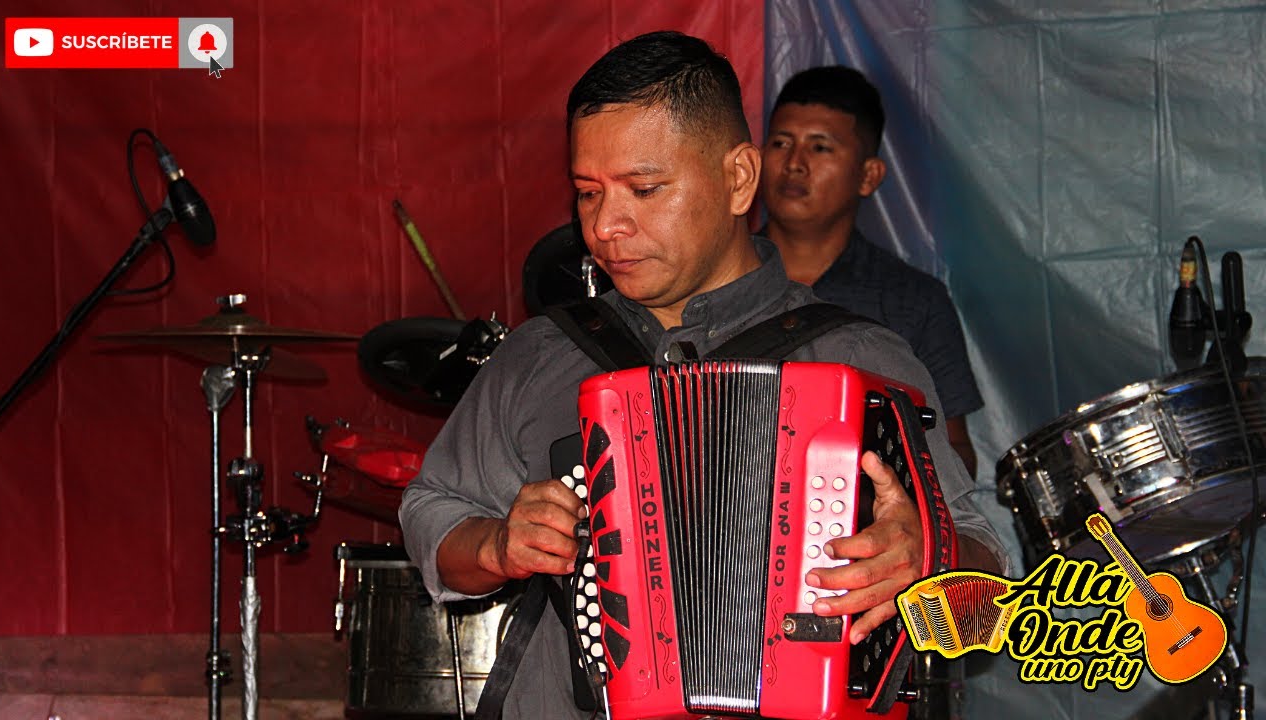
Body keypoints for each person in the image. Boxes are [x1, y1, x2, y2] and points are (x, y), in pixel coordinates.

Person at [400, 31, 1008, 718]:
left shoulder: (862, 360)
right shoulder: (542, 353)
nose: (606, 227)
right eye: (588, 192)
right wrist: (496, 545)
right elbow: (431, 509)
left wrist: (929, 559)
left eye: (644, 188)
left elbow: (987, 609)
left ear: (739, 178)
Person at [761, 66, 985, 477]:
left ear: (868, 175)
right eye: (780, 142)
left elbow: (955, 450)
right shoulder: (717, 283)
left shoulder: (913, 301)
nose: (794, 163)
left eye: (820, 148)